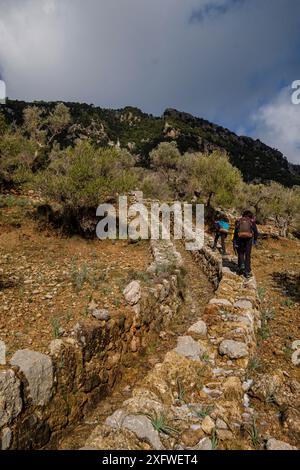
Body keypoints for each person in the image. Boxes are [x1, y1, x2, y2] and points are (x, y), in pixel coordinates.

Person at [233, 210, 258, 279]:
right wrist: (255, 240)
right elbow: (256, 232)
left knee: (241, 253)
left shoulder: (239, 221)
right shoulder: (251, 221)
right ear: (250, 215)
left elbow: (235, 231)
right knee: (247, 255)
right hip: (249, 239)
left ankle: (240, 268)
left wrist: (234, 241)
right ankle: (247, 272)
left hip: (240, 238)